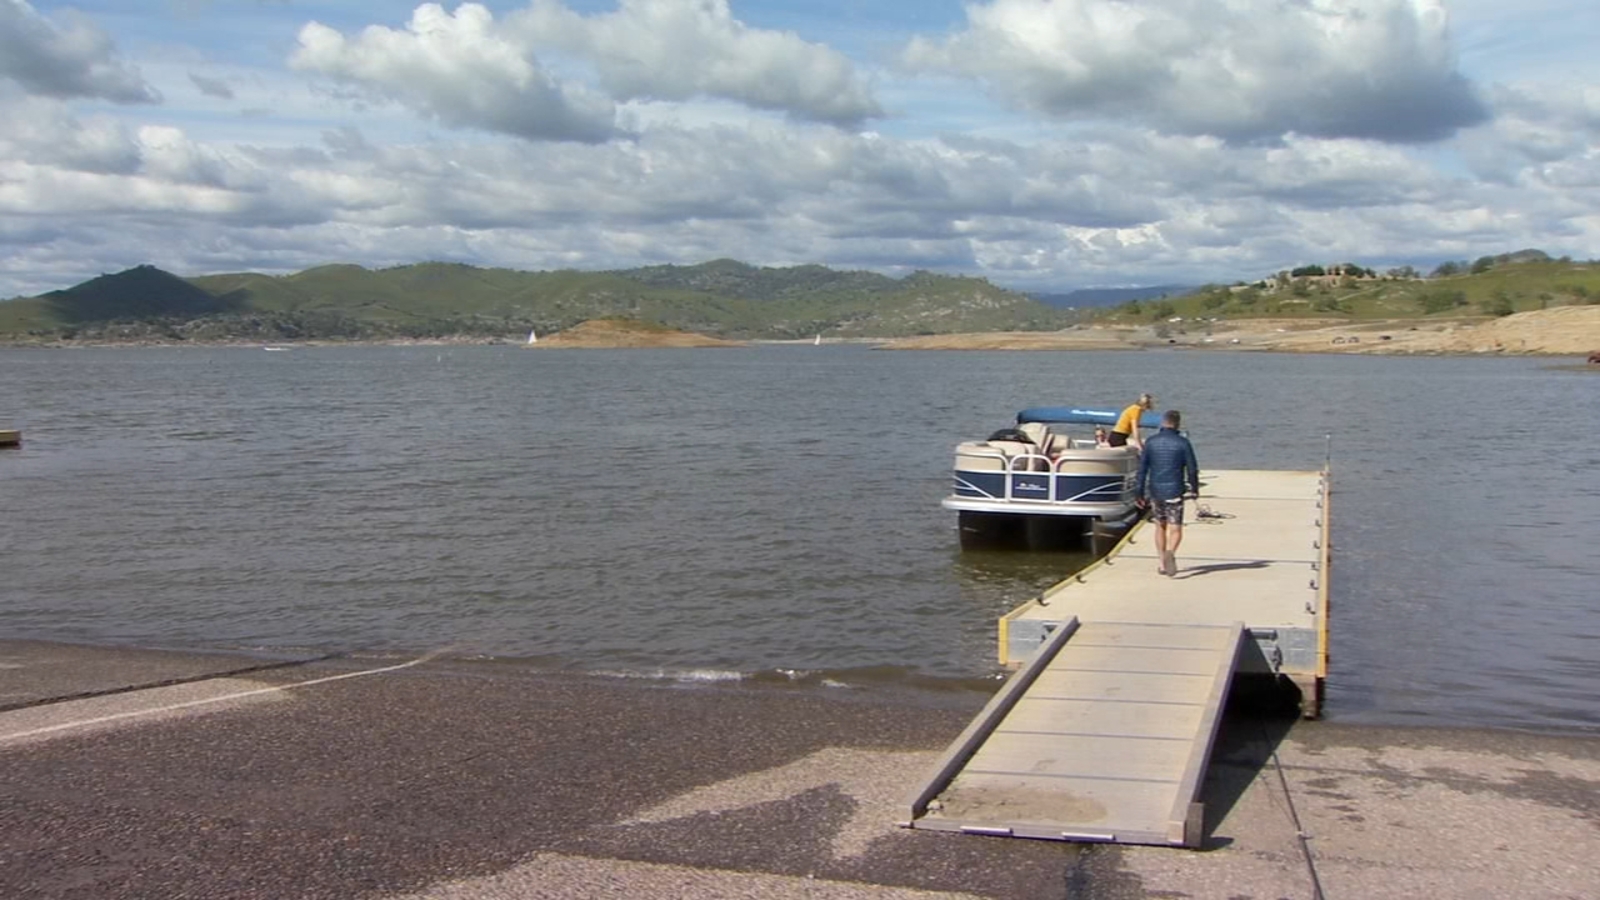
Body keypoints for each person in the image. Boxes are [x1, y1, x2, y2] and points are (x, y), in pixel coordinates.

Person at [1134, 409, 1200, 576]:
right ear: (1177, 424)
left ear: (1162, 423)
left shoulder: (1151, 442)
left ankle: (1162, 563)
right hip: (1175, 490)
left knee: (1160, 526)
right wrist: (1194, 488)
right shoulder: (1183, 443)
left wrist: (1139, 492)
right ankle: (1171, 551)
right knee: (1175, 527)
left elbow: (1142, 470)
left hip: (1156, 491)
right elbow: (1192, 469)